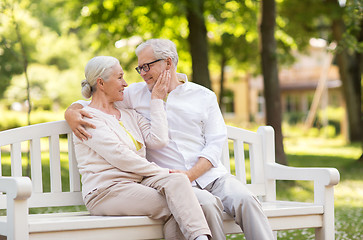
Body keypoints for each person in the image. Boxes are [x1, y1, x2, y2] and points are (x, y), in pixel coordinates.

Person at [66, 40, 274, 240]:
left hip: (211, 177)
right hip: (168, 181)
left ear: (168, 62)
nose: (142, 73)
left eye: (147, 66)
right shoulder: (134, 94)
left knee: (246, 200)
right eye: (140, 68)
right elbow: (94, 97)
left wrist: (190, 175)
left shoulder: (203, 96)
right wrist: (72, 112)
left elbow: (214, 144)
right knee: (206, 205)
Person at [72, 55, 211, 240]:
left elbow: (158, 140)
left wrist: (156, 99)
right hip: (106, 191)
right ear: (101, 83)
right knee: (179, 205)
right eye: (120, 77)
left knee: (178, 182)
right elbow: (120, 156)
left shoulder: (130, 115)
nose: (126, 83)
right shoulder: (87, 118)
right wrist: (163, 171)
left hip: (137, 184)